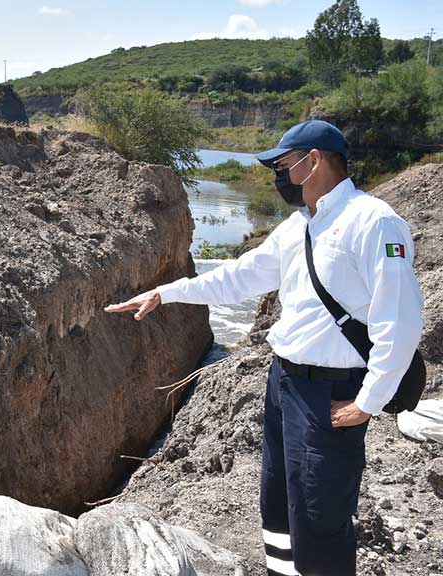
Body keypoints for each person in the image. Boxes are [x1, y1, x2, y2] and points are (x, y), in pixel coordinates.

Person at [105, 120, 423, 576]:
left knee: (320, 519)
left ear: (313, 161)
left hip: (332, 393)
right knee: (278, 507)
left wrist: (368, 402)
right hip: (285, 384)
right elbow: (239, 276)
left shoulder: (374, 221)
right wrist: (168, 292)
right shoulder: (300, 225)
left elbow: (402, 319)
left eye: (282, 165)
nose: (278, 175)